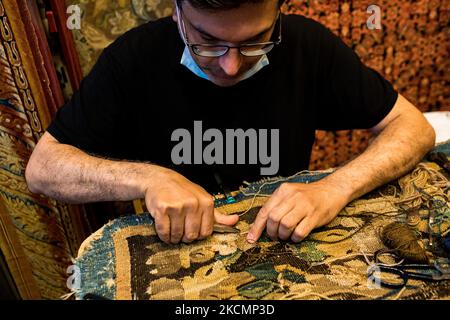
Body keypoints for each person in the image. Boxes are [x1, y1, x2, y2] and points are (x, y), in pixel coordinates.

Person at [25, 0, 435, 245]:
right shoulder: (133, 57)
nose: (231, 65)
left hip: (284, 240)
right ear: (177, 12)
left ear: (278, 12)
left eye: (254, 40)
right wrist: (148, 179)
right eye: (207, 42)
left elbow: (414, 127)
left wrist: (335, 187)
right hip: (177, 249)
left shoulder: (309, 44)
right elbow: (43, 168)